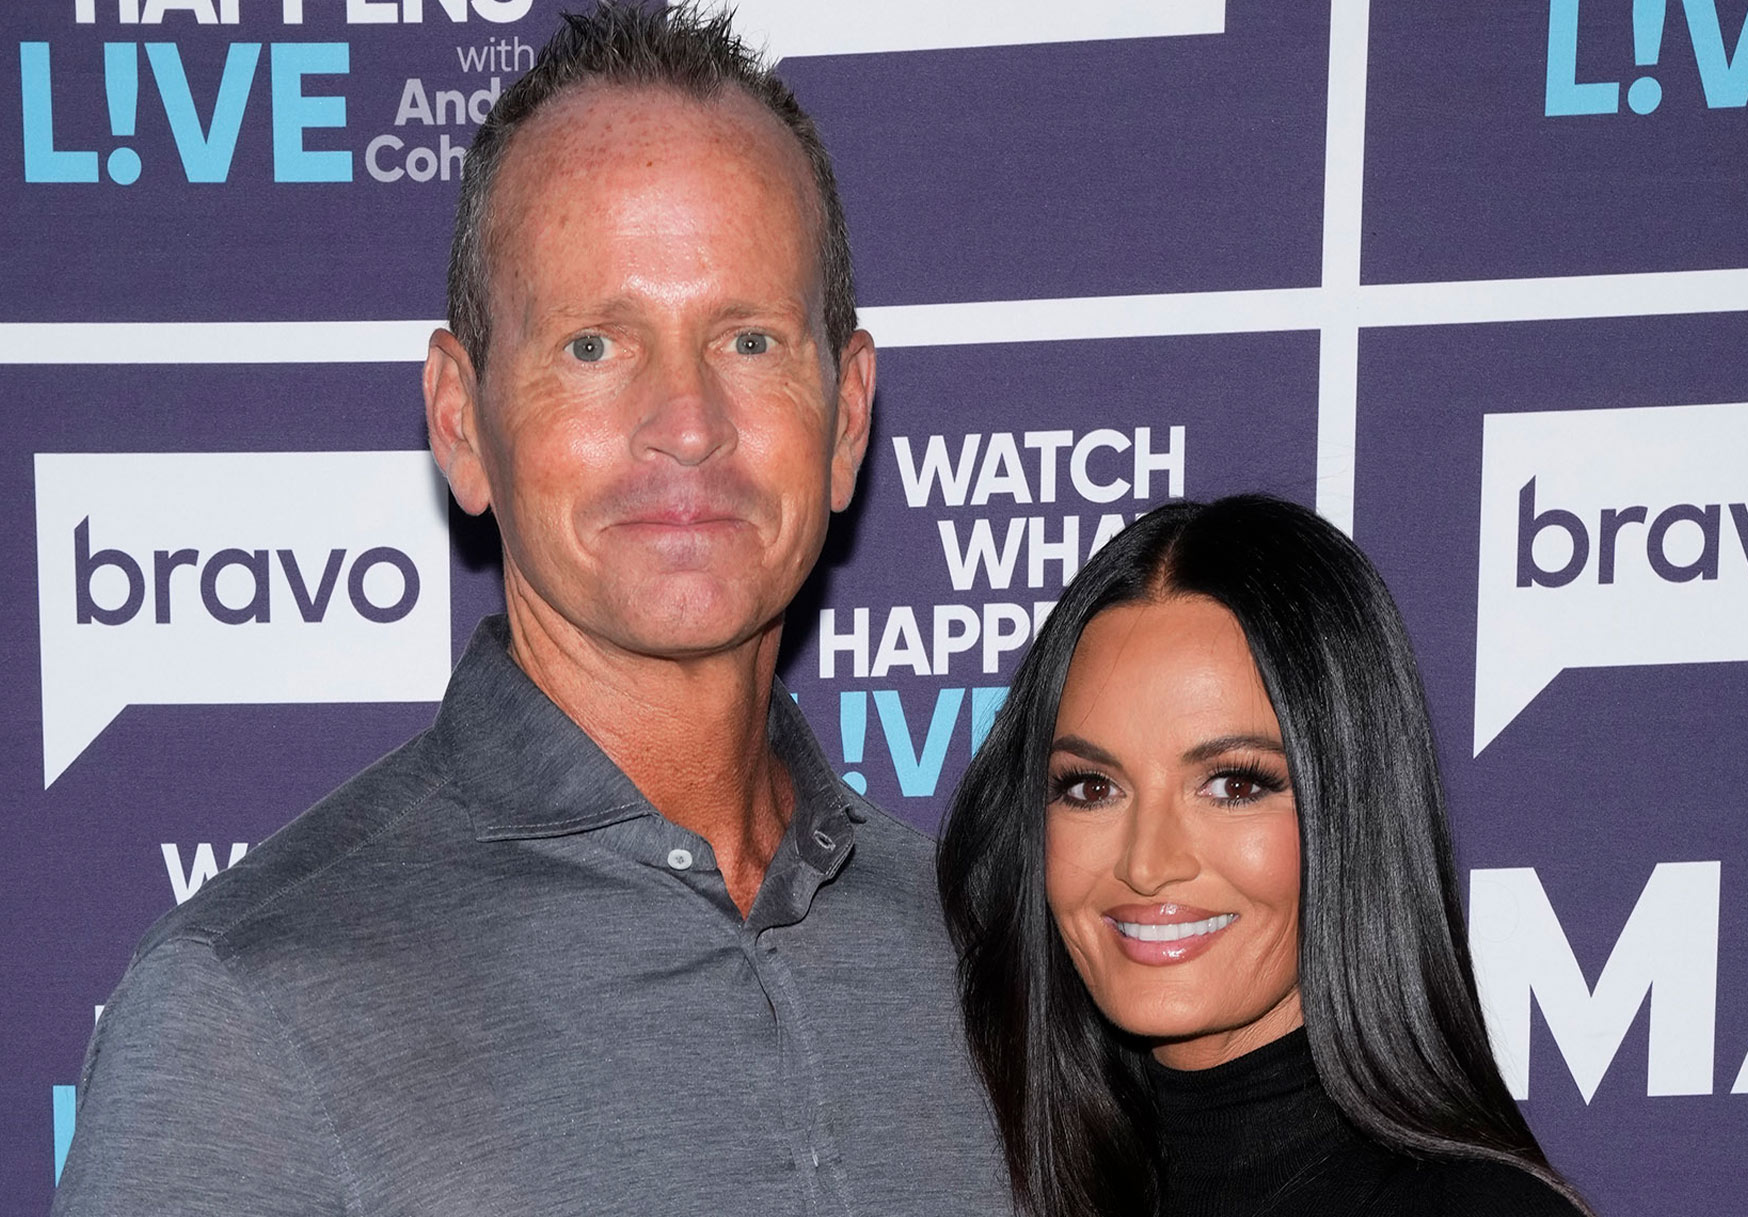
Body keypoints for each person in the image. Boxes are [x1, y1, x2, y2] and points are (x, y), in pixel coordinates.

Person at [52, 6, 1008, 1214]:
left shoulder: (994, 959)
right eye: (597, 344)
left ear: (848, 416)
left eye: (751, 339)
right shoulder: (244, 1010)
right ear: (462, 420)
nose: (688, 421)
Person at [937, 496, 1592, 1217]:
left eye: (1233, 783)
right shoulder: (990, 1180)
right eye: (1092, 786)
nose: (1146, 864)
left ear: (1350, 812)